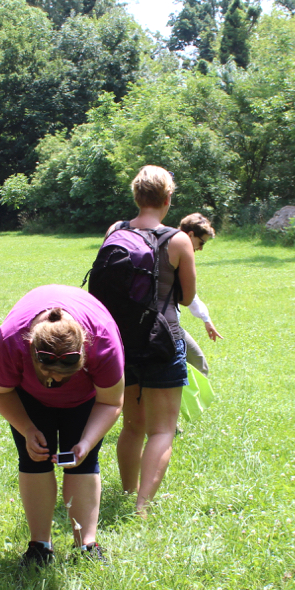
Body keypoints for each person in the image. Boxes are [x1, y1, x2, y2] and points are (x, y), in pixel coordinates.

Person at [0, 285, 125, 565]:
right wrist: (27, 428)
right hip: (28, 396)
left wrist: (86, 442)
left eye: (64, 376)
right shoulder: (12, 339)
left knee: (82, 461)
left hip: (86, 399)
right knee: (33, 457)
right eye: (49, 374)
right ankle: (40, 546)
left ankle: (86, 545)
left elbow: (111, 401)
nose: (56, 383)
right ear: (31, 353)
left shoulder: (102, 339)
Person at [115, 166, 197, 517]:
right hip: (163, 339)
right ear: (167, 200)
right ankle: (142, 507)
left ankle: (127, 488)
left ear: (137, 197)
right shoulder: (177, 239)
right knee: (162, 429)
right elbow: (187, 296)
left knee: (132, 424)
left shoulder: (115, 231)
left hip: (122, 340)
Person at [177, 213, 222, 376]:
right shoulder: (175, 255)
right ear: (190, 235)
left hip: (164, 325)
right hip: (166, 327)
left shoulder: (166, 247)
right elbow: (188, 295)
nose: (201, 248)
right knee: (199, 366)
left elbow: (190, 294)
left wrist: (206, 319)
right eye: (201, 242)